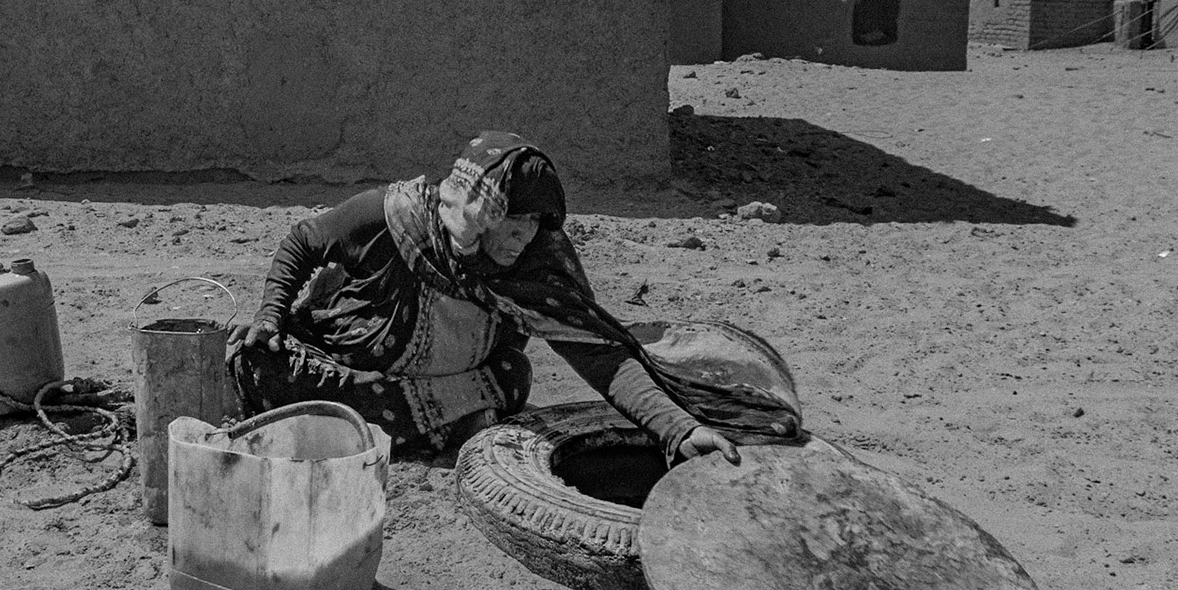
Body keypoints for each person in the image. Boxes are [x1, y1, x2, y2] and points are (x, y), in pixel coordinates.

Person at [228, 131, 778, 461]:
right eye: (512, 223)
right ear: (478, 215)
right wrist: (271, 314)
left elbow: (600, 354)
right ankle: (424, 425)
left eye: (536, 225)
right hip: (351, 361)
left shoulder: (539, 259)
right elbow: (304, 241)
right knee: (256, 362)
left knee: (514, 377)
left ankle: (391, 426)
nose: (524, 238)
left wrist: (678, 428)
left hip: (462, 378)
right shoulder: (387, 216)